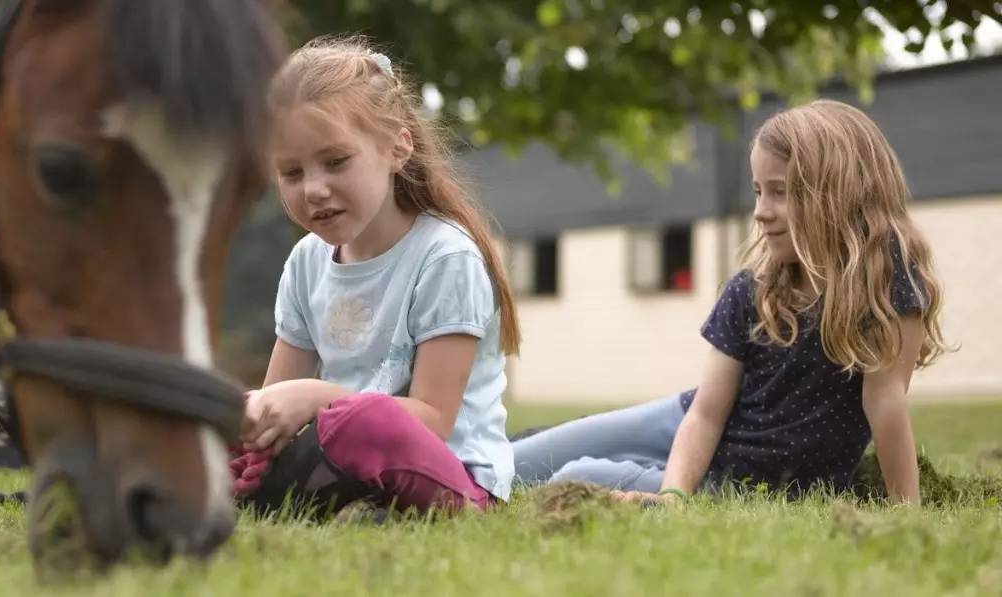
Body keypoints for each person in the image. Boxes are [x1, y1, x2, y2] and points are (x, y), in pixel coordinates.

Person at [512, 99, 949, 506]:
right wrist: (675, 495)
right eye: (758, 191)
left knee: (572, 476)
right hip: (684, 424)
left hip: (733, 481)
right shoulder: (753, 289)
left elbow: (886, 401)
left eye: (780, 191)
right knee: (518, 461)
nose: (761, 211)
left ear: (837, 194)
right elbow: (705, 414)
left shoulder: (887, 284)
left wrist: (905, 513)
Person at [231, 36, 521, 517]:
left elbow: (433, 421)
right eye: (291, 173)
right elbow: (277, 400)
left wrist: (314, 398)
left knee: (361, 423)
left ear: (398, 147)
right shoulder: (306, 262)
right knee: (224, 420)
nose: (314, 189)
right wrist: (251, 420)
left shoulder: (445, 257)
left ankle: (325, 499)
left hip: (457, 479)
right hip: (348, 461)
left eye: (336, 162)